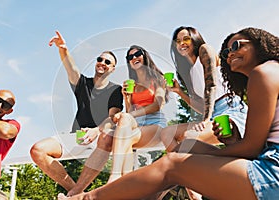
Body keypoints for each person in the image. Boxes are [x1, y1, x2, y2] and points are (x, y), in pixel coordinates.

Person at [57, 27, 279, 200]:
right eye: (227, 51)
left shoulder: (260, 72)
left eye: (237, 45)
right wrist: (177, 92)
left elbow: (251, 146)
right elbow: (199, 105)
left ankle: (95, 194)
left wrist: (205, 125)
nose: (229, 54)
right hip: (260, 156)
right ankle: (144, 188)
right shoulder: (179, 75)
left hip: (266, 167)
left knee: (173, 161)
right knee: (172, 147)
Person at [30, 30, 123, 196]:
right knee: (37, 150)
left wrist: (96, 130)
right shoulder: (83, 84)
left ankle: (74, 194)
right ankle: (77, 192)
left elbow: (112, 118)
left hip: (99, 140)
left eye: (107, 61)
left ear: (113, 68)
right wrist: (63, 49)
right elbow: (70, 68)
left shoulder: (115, 90)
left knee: (107, 135)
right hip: (77, 137)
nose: (102, 63)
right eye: (99, 59)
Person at [161, 26, 248, 152]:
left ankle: (217, 163)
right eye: (178, 42)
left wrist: (206, 120)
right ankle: (182, 168)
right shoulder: (189, 72)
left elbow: (211, 85)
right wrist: (179, 92)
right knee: (167, 133)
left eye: (186, 39)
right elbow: (202, 107)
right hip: (212, 113)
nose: (182, 44)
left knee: (189, 138)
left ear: (195, 39)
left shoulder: (205, 50)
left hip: (230, 109)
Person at [107, 45, 167, 182]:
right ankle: (126, 182)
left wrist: (132, 115)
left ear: (144, 55)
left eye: (137, 54)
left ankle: (116, 177)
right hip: (137, 124)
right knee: (124, 124)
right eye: (130, 57)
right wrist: (126, 98)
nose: (134, 58)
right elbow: (129, 112)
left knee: (125, 135)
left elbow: (158, 104)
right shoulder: (132, 84)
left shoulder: (158, 78)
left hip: (155, 122)